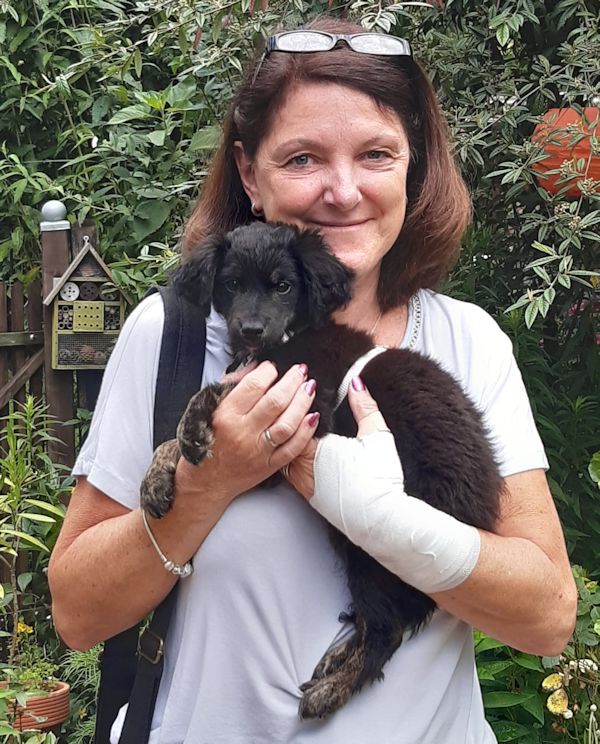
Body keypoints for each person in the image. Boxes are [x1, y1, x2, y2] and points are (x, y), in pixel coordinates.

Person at [48, 15, 577, 744]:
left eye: (376, 154)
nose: (343, 190)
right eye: (302, 158)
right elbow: (76, 614)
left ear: (412, 166)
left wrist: (388, 523)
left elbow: (548, 617)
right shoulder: (168, 336)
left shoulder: (467, 343)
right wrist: (205, 484)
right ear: (249, 174)